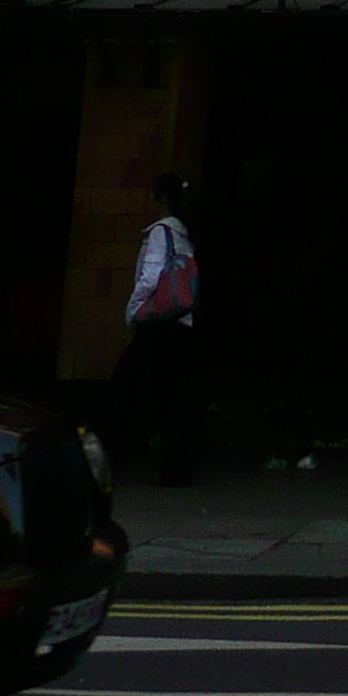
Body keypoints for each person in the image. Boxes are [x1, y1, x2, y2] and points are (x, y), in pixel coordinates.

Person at [113, 171, 201, 487]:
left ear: (161, 198)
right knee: (175, 396)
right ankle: (176, 468)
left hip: (158, 325)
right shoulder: (184, 234)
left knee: (124, 386)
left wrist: (132, 311)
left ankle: (109, 456)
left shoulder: (160, 233)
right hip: (181, 323)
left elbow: (150, 278)